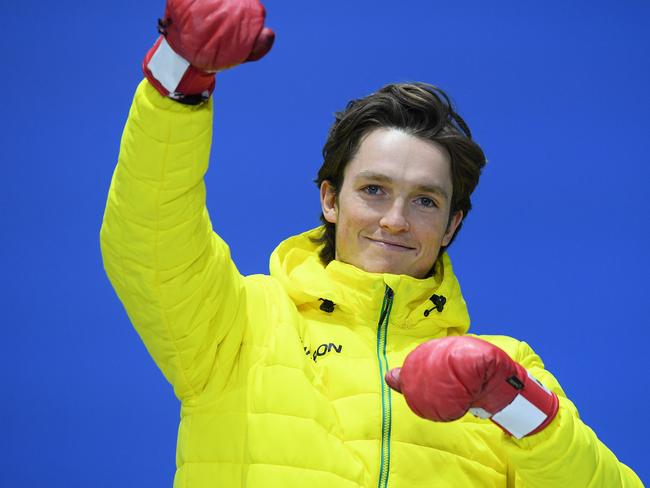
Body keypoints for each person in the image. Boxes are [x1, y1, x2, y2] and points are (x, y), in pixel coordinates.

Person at [100, 0, 642, 486]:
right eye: (375, 190)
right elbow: (148, 235)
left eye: (425, 201)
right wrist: (177, 75)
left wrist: (514, 403)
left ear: (452, 226)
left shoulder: (502, 371)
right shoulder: (241, 323)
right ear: (330, 200)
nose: (396, 220)